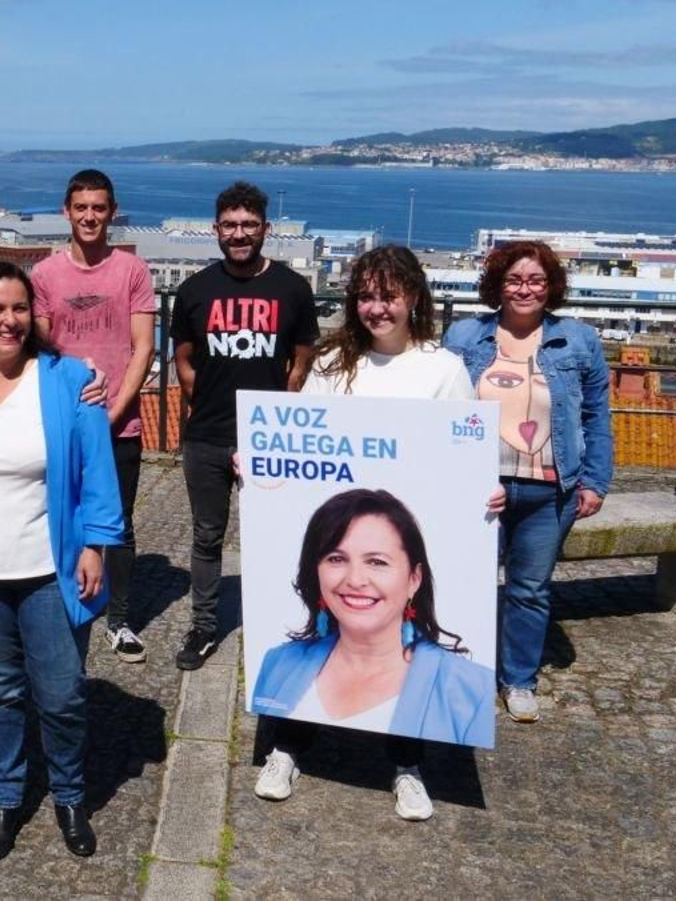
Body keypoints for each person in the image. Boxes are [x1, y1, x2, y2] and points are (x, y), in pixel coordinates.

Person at [255, 246, 504, 821]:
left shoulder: (441, 369)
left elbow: (465, 457)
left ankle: (407, 766)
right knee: (318, 639)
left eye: (388, 295)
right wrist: (262, 463)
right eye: (366, 295)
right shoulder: (331, 363)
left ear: (413, 296)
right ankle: (287, 747)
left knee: (405, 649)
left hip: (399, 537)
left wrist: (487, 491)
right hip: (338, 530)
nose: (376, 307)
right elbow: (298, 443)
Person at [0, 260, 124, 860]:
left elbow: (97, 472)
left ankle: (68, 793)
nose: (10, 321)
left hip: (46, 568)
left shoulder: (68, 380)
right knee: (0, 690)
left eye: (19, 308)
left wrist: (96, 544)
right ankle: (6, 795)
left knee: (61, 694)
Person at [444, 240, 613, 724]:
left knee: (530, 589)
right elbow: (442, 408)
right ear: (497, 285)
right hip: (479, 487)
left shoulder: (579, 340)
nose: (525, 289)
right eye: (514, 280)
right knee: (464, 583)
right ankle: (462, 670)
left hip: (550, 490)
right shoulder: (463, 336)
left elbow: (597, 415)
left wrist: (596, 481)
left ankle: (519, 679)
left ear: (551, 286)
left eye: (535, 280)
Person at [170, 182, 317, 670]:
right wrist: (205, 403)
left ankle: (282, 622)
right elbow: (184, 360)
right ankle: (205, 626)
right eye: (230, 226)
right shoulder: (194, 291)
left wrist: (283, 403)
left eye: (249, 226)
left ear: (265, 230)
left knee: (276, 534)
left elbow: (303, 354)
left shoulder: (293, 289)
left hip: (269, 435)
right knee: (207, 536)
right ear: (216, 230)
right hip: (207, 436)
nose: (239, 234)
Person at [250, 492, 496, 759]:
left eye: (377, 562)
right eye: (336, 558)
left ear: (414, 578)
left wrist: (492, 497)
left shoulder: (469, 688)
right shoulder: (278, 662)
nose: (355, 580)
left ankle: (407, 767)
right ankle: (285, 750)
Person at [31, 169, 154, 665]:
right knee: (55, 515)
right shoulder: (44, 275)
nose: (89, 217)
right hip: (60, 426)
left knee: (117, 523)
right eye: (80, 207)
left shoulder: (131, 271)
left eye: (98, 208)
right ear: (67, 211)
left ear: (112, 211)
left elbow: (143, 348)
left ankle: (119, 618)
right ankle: (55, 601)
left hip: (117, 425)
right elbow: (40, 348)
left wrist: (112, 413)